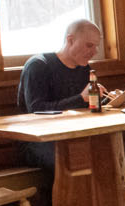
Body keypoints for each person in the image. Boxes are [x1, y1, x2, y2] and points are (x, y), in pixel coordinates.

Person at [17, 19, 104, 167]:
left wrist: (106, 99)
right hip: (39, 140)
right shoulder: (39, 65)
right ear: (70, 40)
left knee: (108, 151)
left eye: (96, 47)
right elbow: (36, 110)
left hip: (73, 134)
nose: (94, 52)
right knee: (77, 159)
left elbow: (87, 106)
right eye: (89, 45)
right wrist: (80, 98)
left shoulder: (84, 68)